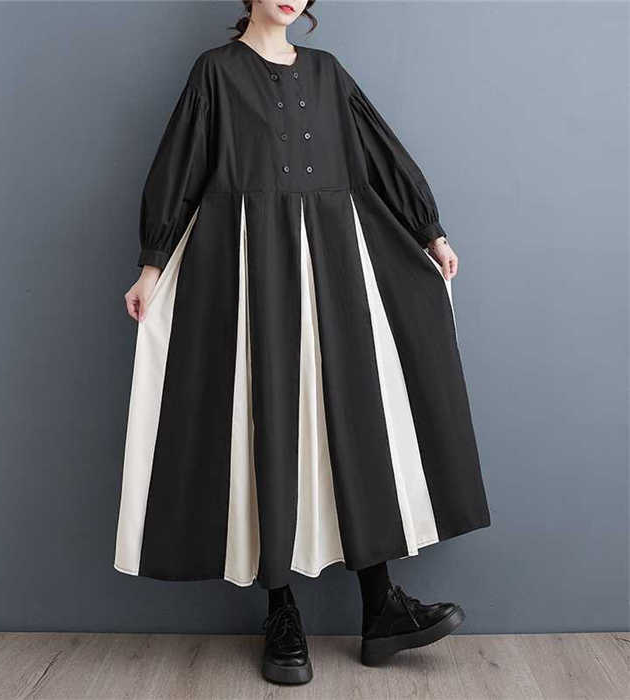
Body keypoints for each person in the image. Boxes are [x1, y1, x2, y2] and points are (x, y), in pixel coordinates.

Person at [114, 0, 490, 685]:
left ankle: (381, 607)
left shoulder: (327, 71)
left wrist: (429, 231)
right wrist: (152, 263)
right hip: (250, 269)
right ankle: (281, 613)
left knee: (350, 419)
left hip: (334, 265)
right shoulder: (216, 72)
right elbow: (181, 166)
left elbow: (379, 153)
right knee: (269, 423)